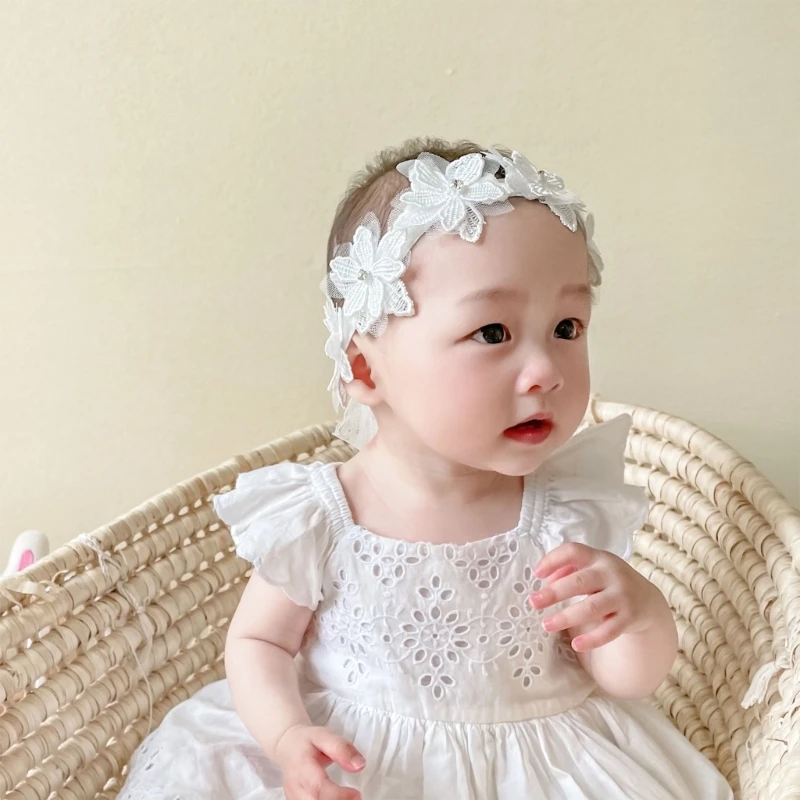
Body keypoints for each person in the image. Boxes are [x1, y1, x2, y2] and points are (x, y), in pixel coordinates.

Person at [119, 138, 733, 799]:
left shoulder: (564, 509)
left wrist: (637, 616)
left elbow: (625, 679)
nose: (546, 372)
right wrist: (287, 736)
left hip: (533, 766)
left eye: (567, 327)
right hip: (358, 761)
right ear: (365, 368)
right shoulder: (325, 513)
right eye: (493, 333)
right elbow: (258, 644)